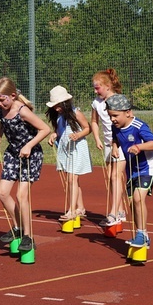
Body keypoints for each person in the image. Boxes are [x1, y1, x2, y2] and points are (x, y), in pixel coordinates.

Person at [0, 77, 51, 252]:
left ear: (12, 95)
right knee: (2, 192)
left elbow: (45, 129)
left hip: (29, 155)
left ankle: (28, 236)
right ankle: (17, 228)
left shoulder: (22, 111)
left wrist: (29, 145)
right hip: (13, 153)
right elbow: (2, 123)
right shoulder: (1, 109)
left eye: (2, 99)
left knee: (21, 195)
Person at [107, 94, 153, 248]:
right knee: (132, 203)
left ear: (128, 112)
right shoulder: (115, 127)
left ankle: (142, 234)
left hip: (148, 167)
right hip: (132, 170)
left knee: (138, 198)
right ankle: (141, 234)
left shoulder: (139, 126)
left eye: (115, 116)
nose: (113, 120)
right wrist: (115, 147)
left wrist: (139, 147)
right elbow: (116, 138)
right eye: (110, 116)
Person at [46, 85, 92, 221]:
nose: (56, 108)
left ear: (65, 103)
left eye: (58, 105)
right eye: (54, 105)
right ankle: (80, 208)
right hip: (65, 148)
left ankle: (72, 210)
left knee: (72, 179)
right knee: (72, 180)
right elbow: (59, 131)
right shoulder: (58, 116)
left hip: (77, 148)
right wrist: (54, 135)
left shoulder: (75, 112)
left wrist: (78, 135)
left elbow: (87, 128)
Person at [90, 68, 127, 226]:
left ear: (107, 86)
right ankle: (119, 209)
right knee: (111, 178)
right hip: (107, 144)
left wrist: (119, 143)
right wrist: (97, 138)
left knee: (115, 176)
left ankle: (113, 213)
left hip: (121, 142)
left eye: (97, 87)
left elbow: (128, 120)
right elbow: (94, 122)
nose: (95, 90)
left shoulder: (119, 100)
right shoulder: (96, 103)